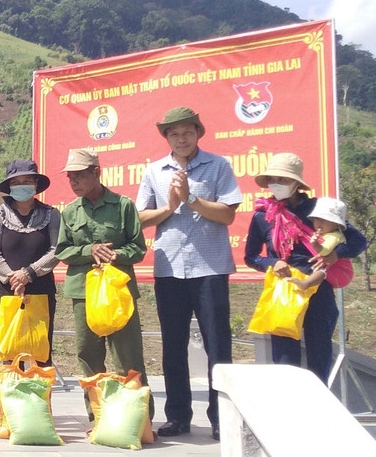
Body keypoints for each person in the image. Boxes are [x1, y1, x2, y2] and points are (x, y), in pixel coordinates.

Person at [135, 107, 242, 441]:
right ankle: (178, 416)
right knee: (173, 347)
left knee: (218, 347)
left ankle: (221, 418)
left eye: (187, 132)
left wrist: (190, 198)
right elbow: (139, 218)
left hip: (210, 268)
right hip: (169, 268)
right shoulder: (154, 170)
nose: (181, 139)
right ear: (166, 138)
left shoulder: (218, 165)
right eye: (174, 134)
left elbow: (227, 215)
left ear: (199, 132)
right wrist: (168, 206)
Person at [245, 153, 365, 382]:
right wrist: (272, 262)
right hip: (285, 292)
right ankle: (287, 413)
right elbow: (251, 257)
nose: (276, 185)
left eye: (283, 180)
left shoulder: (319, 209)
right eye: (272, 179)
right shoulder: (262, 216)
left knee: (319, 357)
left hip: (318, 291)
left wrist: (335, 254)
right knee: (284, 361)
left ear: (297, 183)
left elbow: (358, 240)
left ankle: (317, 413)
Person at [54, 148, 152, 422]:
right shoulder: (70, 211)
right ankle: (98, 418)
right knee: (88, 355)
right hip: (84, 293)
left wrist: (115, 255)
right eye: (70, 177)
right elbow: (62, 250)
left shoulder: (123, 206)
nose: (73, 183)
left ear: (96, 172)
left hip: (118, 292)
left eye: (79, 176)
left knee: (127, 356)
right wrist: (90, 250)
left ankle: (138, 420)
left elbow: (138, 247)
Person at [0, 159, 60, 367]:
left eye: (28, 181)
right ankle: (12, 398)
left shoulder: (51, 214)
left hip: (41, 289)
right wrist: (13, 278)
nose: (22, 185)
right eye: (17, 182)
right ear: (9, 186)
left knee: (41, 353)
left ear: (36, 184)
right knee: (10, 354)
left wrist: (28, 273)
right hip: (8, 291)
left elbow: (56, 250)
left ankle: (40, 398)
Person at [287, 196, 353, 291]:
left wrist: (315, 244)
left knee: (322, 269)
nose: (319, 223)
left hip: (341, 271)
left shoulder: (334, 236)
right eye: (317, 219)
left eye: (325, 220)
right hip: (333, 270)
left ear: (336, 224)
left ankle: (306, 283)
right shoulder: (322, 234)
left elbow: (325, 251)